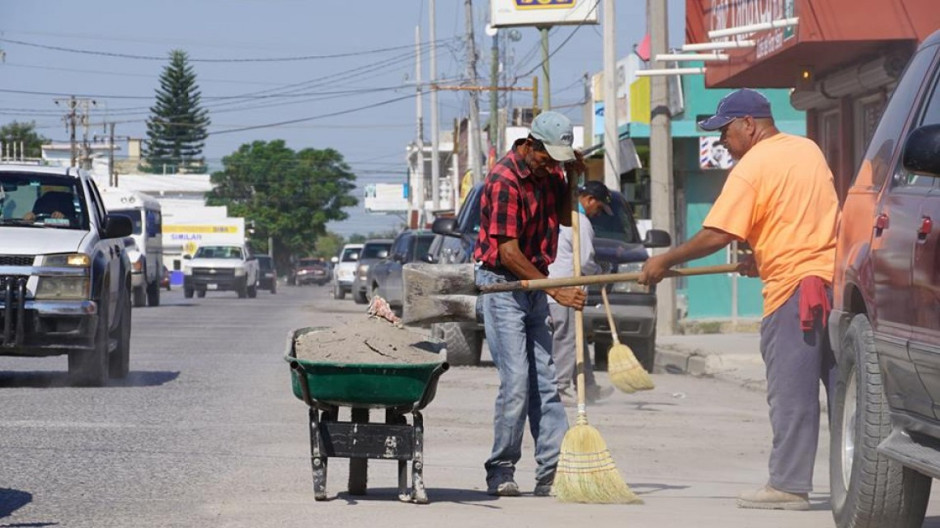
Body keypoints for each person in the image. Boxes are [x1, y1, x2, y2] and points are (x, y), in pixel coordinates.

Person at [638, 88, 839, 511]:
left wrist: (664, 261)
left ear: (749, 125)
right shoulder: (807, 151)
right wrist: (761, 256)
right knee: (844, 394)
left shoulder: (754, 166)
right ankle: (854, 480)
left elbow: (718, 233)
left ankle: (788, 485)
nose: (724, 145)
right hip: (831, 284)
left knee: (791, 394)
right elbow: (802, 223)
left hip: (793, 293)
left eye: (726, 133)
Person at [474, 110, 586, 498]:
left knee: (546, 380)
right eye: (547, 157)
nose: (550, 165)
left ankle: (552, 470)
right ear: (529, 145)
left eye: (558, 160)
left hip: (533, 283)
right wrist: (555, 289)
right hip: (503, 285)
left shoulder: (552, 173)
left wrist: (573, 177)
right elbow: (507, 253)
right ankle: (501, 468)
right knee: (517, 382)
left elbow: (564, 219)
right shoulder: (504, 179)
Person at [547, 180, 615, 405]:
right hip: (566, 289)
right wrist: (600, 271)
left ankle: (589, 387)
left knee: (577, 340)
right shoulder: (580, 221)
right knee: (567, 339)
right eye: (599, 208)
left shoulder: (559, 215)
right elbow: (585, 261)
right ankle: (561, 387)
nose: (598, 213)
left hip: (549, 286)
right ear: (590, 200)